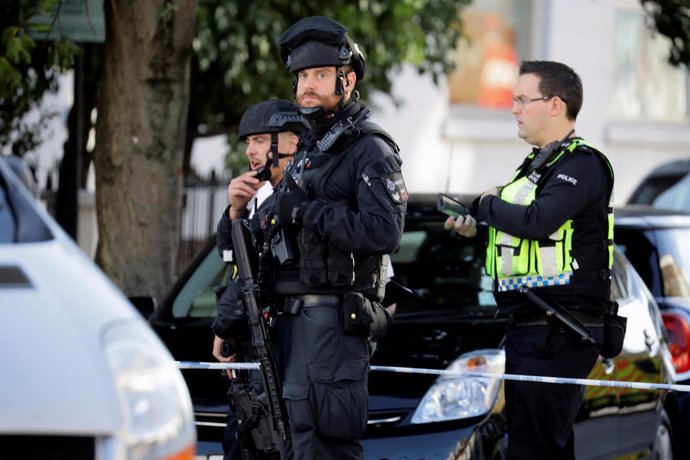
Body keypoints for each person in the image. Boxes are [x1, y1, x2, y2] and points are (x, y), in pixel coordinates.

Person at [244, 15, 405, 459]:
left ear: (347, 80)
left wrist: (306, 211)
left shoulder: (370, 148)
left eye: (319, 75)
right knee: (293, 442)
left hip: (334, 324)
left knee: (323, 447)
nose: (307, 87)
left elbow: (385, 231)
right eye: (301, 77)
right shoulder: (312, 149)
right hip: (292, 323)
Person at [444, 60, 614, 459]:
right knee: (540, 446)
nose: (514, 109)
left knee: (533, 450)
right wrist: (476, 222)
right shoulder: (539, 165)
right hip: (531, 326)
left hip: (562, 329)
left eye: (522, 99)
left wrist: (486, 205)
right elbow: (522, 229)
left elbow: (538, 221)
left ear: (555, 105)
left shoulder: (583, 164)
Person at [211, 98, 307, 460]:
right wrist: (234, 212)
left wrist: (223, 327)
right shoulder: (259, 195)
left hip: (280, 351)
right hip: (252, 346)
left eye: (258, 140)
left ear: (290, 142)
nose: (250, 151)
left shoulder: (293, 197)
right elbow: (231, 260)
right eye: (247, 142)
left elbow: (260, 274)